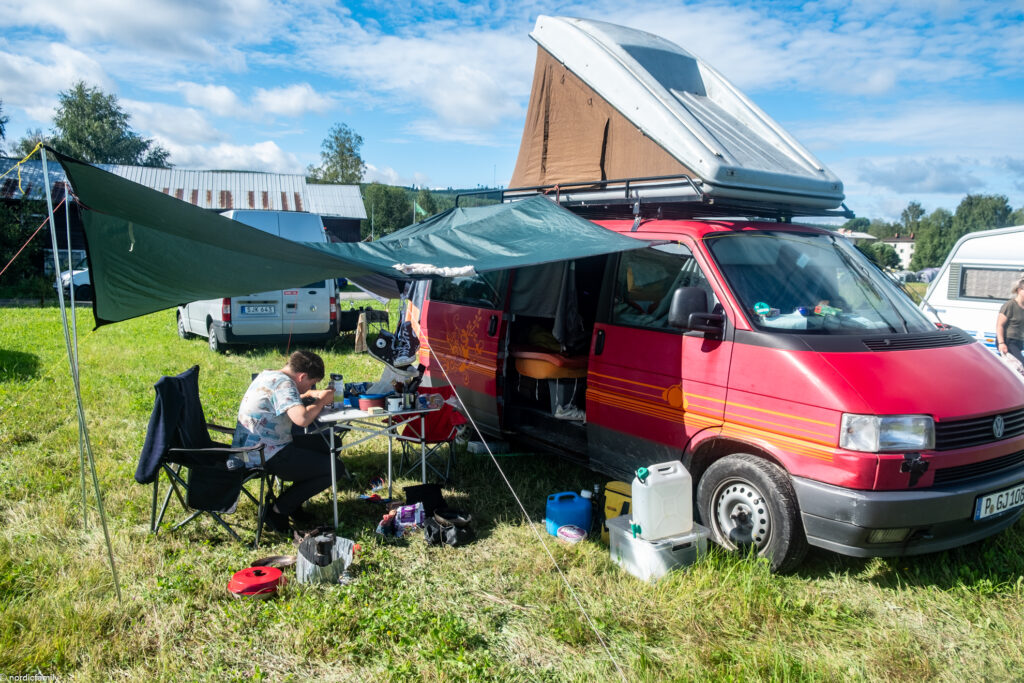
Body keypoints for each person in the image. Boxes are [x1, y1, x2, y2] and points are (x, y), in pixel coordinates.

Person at [233, 350, 343, 532]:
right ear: (302, 376)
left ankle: (294, 501)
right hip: (264, 454)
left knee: (331, 443)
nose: (311, 388)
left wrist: (309, 396)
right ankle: (277, 511)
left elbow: (280, 399)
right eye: (311, 383)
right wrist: (321, 401)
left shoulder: (269, 375)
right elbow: (302, 419)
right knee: (335, 468)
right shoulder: (285, 384)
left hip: (256, 445)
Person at [996, 277, 1024, 366]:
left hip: (1018, 341)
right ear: (1019, 290)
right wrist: (1001, 343)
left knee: (1013, 368)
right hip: (1008, 341)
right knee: (1021, 366)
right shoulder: (1010, 305)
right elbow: (999, 325)